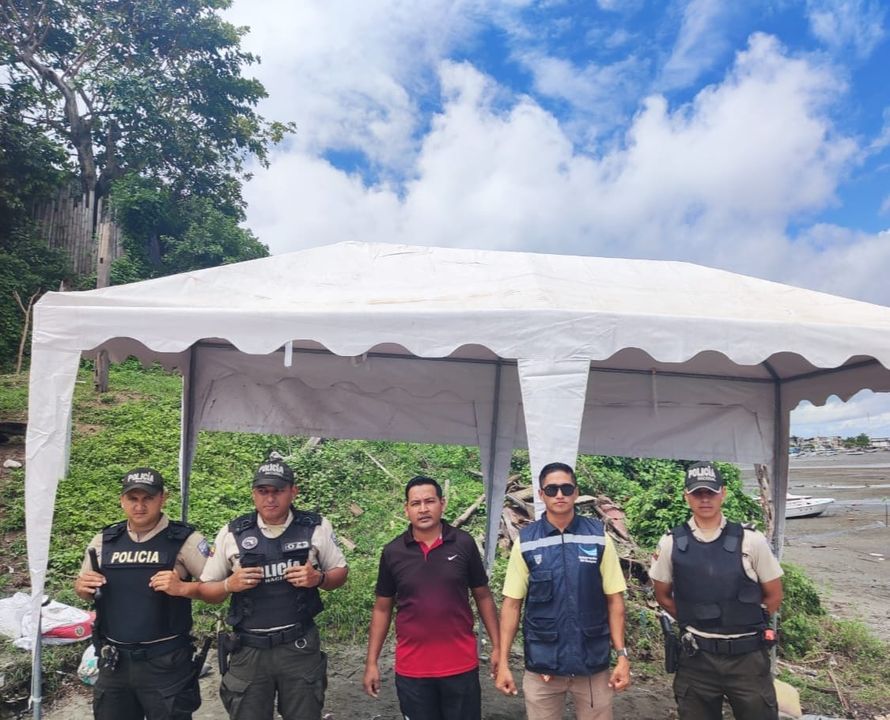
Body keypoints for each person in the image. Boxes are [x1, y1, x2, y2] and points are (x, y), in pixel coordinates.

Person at [172, 452, 348, 720]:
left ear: (293, 492)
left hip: (298, 646)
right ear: (253, 494)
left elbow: (340, 573)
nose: (270, 498)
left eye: (278, 491)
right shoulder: (233, 533)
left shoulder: (315, 527)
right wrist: (229, 584)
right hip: (248, 649)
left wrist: (319, 579)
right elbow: (207, 590)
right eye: (263, 491)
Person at [496, 462, 631, 720]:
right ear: (541, 494)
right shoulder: (527, 542)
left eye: (566, 488)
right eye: (552, 489)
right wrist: (502, 662)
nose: (560, 495)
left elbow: (615, 601)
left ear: (576, 492)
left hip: (591, 664)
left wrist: (622, 656)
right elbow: (511, 605)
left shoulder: (597, 537)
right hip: (543, 666)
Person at [650, 461, 784, 720]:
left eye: (710, 492)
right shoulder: (671, 543)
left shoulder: (751, 540)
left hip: (747, 659)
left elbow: (774, 594)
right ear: (686, 496)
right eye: (697, 493)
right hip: (697, 658)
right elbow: (663, 595)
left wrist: (745, 620)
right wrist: (696, 621)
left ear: (723, 493)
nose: (704, 499)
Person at [73, 467, 211, 720]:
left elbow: (218, 590)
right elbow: (86, 590)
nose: (139, 506)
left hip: (166, 662)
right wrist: (81, 588)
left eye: (147, 498)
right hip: (115, 663)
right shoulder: (104, 541)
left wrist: (183, 588)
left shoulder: (185, 540)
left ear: (163, 498)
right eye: (133, 498)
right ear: (122, 500)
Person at [362, 475, 500, 720]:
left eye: (430, 501)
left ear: (442, 504)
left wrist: (498, 647)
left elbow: (483, 596)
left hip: (460, 665)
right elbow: (382, 608)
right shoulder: (393, 552)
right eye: (416, 503)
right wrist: (371, 662)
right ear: (406, 509)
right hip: (413, 670)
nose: (423, 509)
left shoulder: (463, 543)